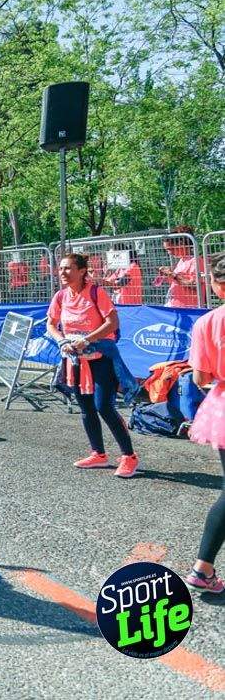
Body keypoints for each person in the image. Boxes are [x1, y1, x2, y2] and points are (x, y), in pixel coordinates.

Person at [45, 253, 140, 478]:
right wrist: (62, 340)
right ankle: (98, 454)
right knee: (86, 408)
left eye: (68, 268)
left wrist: (87, 339)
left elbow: (112, 322)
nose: (63, 273)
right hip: (75, 360)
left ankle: (129, 457)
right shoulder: (60, 296)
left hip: (101, 358)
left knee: (104, 406)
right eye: (61, 269)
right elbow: (51, 324)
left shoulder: (96, 293)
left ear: (81, 271)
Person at [184, 254, 225, 593]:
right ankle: (202, 567)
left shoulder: (206, 323)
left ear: (216, 284)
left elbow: (200, 376)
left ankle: (203, 568)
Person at [160, 226, 202, 308]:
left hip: (189, 308)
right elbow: (178, 282)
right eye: (167, 250)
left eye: (171, 249)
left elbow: (195, 286)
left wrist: (173, 275)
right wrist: (167, 276)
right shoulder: (182, 260)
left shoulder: (196, 261)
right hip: (176, 306)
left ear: (181, 243)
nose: (169, 253)